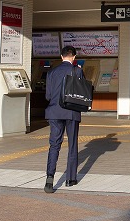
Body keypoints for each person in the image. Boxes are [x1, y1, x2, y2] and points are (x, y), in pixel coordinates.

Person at [44, 45, 84, 193]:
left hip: (54, 112)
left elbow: (48, 96)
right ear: (73, 57)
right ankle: (70, 179)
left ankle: (49, 178)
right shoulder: (77, 70)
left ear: (61, 57)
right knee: (72, 144)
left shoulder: (51, 72)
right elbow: (82, 92)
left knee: (54, 144)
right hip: (72, 113)